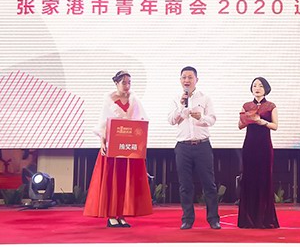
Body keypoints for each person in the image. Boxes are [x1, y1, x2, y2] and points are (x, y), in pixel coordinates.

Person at [83, 70, 152, 227]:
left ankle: (121, 214)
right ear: (116, 83)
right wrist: (102, 143)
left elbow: (141, 121)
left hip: (129, 147)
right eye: (124, 83)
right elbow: (103, 123)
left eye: (129, 83)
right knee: (112, 180)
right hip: (113, 146)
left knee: (124, 181)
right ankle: (111, 215)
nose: (127, 86)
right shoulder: (108, 100)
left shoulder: (134, 100)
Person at [167, 66, 221, 230]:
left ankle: (213, 219)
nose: (187, 80)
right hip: (183, 147)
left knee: (209, 184)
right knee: (185, 185)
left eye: (190, 77)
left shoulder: (205, 98)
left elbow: (212, 119)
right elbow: (171, 120)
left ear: (196, 80)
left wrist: (201, 117)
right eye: (184, 77)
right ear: (180, 80)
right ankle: (187, 219)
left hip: (202, 145)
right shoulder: (176, 99)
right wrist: (180, 107)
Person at [237, 76, 279, 228]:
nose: (257, 88)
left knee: (264, 179)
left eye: (261, 85)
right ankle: (247, 219)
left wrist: (262, 122)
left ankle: (264, 219)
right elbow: (240, 125)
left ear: (266, 89)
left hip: (264, 146)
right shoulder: (246, 105)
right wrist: (248, 119)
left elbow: (275, 126)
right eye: (255, 85)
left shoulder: (271, 106)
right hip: (250, 146)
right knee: (249, 178)